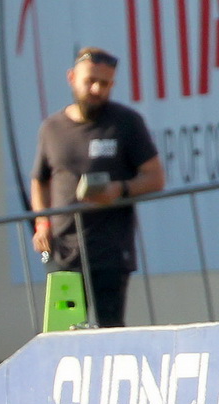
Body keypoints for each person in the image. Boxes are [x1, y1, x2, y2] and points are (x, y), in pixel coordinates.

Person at [30, 47, 166, 328]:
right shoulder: (52, 128)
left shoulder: (126, 123)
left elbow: (155, 178)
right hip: (63, 251)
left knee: (110, 332)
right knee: (63, 334)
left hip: (110, 251)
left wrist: (120, 190)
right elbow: (39, 181)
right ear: (71, 77)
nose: (96, 89)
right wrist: (42, 223)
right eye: (90, 81)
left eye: (104, 84)